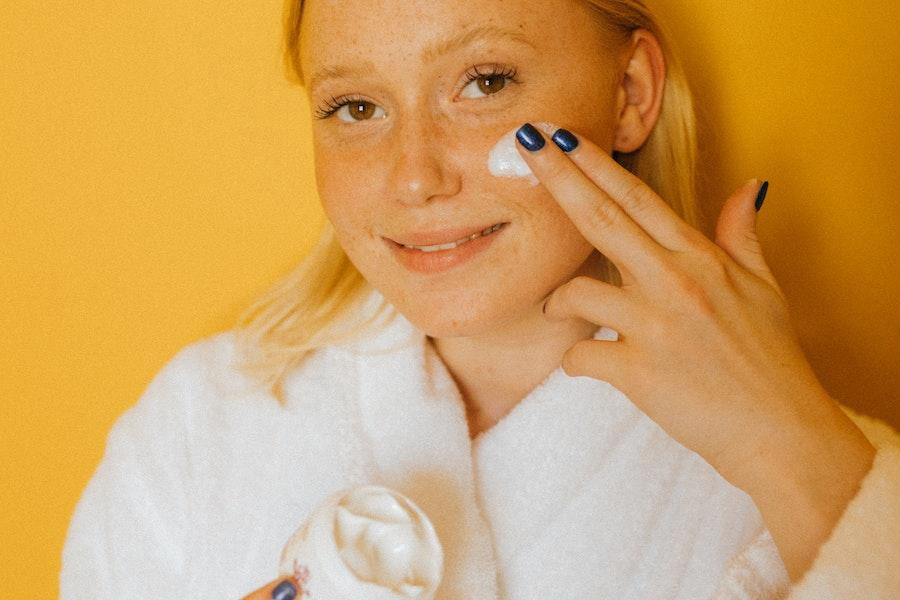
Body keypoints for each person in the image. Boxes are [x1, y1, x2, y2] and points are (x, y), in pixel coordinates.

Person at [60, 0, 900, 598]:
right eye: (356, 106)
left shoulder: (800, 481)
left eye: (485, 82)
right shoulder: (197, 430)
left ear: (630, 93)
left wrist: (792, 447)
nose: (414, 177)